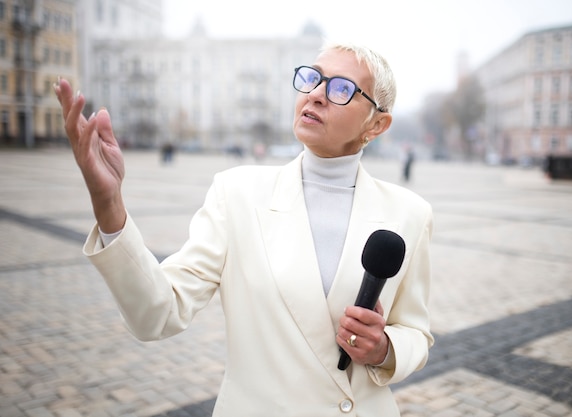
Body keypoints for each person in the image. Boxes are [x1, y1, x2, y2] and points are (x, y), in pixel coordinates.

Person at [55, 41, 434, 417]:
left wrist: (384, 348)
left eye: (341, 89)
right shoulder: (236, 193)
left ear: (378, 123)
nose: (317, 95)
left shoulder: (410, 214)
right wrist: (109, 205)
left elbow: (416, 333)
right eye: (313, 79)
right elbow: (156, 313)